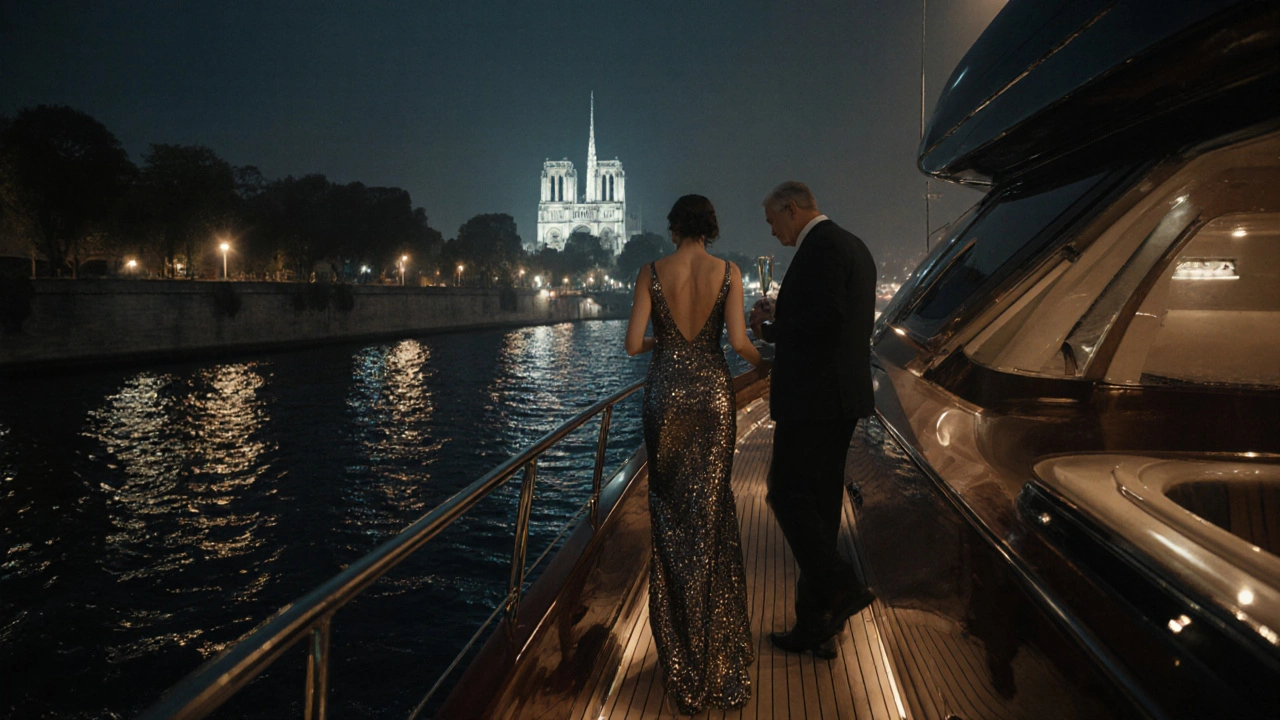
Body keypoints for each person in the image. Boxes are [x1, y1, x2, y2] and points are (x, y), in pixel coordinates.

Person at [624, 194, 769, 714]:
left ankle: (683, 662)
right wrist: (771, 360)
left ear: (671, 228)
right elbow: (739, 342)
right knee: (711, 515)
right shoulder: (728, 271)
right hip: (712, 399)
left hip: (665, 398)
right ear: (710, 226)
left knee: (669, 521)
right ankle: (718, 652)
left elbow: (631, 344)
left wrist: (666, 343)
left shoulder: (650, 271)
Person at [748, 181, 877, 659]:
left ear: (792, 208)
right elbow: (837, 318)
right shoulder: (853, 246)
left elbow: (826, 318)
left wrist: (770, 328)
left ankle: (843, 587)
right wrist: (784, 313)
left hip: (814, 400)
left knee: (784, 492)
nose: (772, 231)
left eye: (772, 221)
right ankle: (816, 623)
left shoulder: (819, 247)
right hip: (841, 397)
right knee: (820, 507)